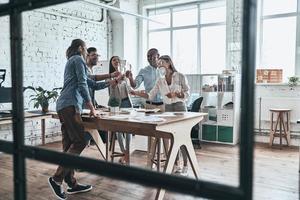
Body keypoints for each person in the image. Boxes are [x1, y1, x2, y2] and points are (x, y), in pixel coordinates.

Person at [48, 39, 118, 200]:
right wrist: (92, 108)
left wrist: (111, 79)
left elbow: (90, 82)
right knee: (79, 142)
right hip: (71, 105)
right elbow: (82, 84)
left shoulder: (74, 61)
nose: (87, 53)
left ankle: (71, 183)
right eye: (87, 50)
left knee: (69, 145)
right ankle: (56, 179)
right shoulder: (78, 59)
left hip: (64, 105)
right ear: (81, 48)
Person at [131, 55, 190, 175]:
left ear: (168, 63)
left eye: (161, 63)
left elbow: (187, 92)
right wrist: (135, 93)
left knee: (182, 137)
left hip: (179, 107)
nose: (159, 66)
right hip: (167, 108)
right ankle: (175, 164)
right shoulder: (160, 80)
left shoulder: (180, 76)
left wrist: (178, 94)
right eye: (158, 64)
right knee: (171, 137)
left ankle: (185, 165)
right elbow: (150, 95)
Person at [108, 56, 132, 164]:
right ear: (111, 63)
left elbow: (129, 88)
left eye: (118, 60)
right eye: (114, 60)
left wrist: (128, 78)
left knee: (128, 130)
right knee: (118, 130)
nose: (116, 61)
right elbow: (112, 88)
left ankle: (126, 154)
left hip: (126, 102)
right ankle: (124, 153)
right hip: (116, 104)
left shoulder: (124, 75)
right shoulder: (109, 77)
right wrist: (118, 79)